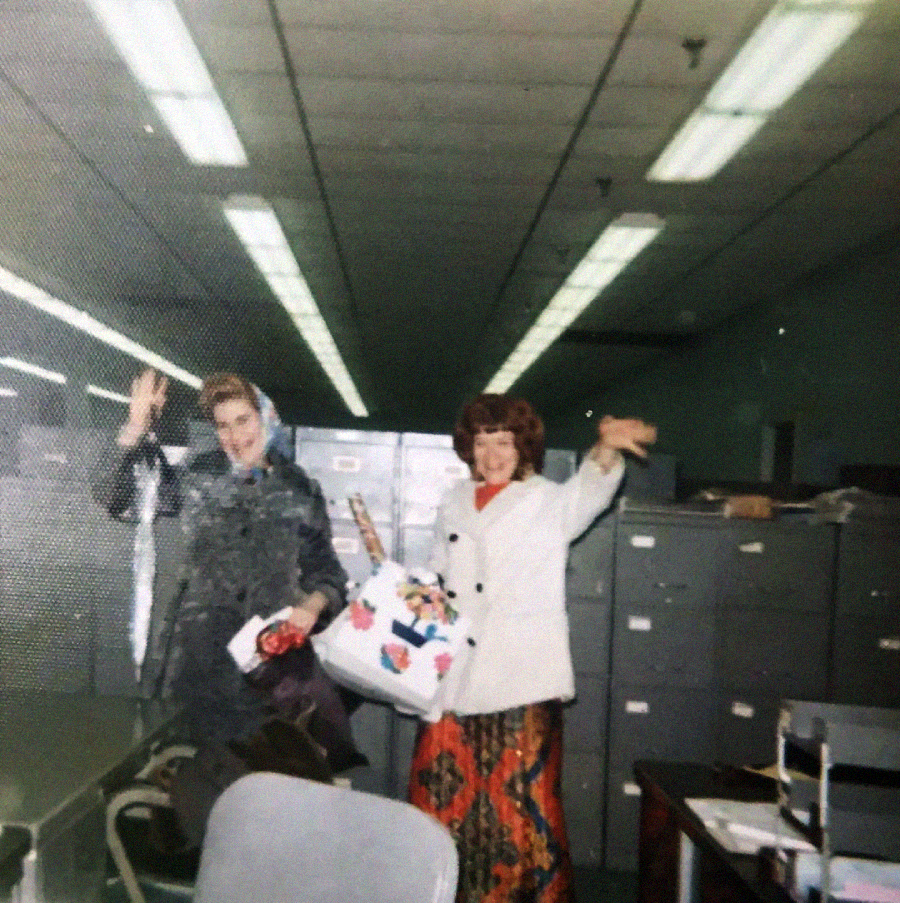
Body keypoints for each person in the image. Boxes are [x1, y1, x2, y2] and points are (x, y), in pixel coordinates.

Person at [93, 368, 362, 842]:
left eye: (243, 421)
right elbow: (115, 499)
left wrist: (314, 604)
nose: (234, 437)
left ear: (265, 418)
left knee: (267, 816)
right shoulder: (198, 476)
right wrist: (134, 428)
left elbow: (330, 575)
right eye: (223, 426)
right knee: (195, 812)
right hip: (199, 670)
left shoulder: (300, 489)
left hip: (270, 679)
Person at [407, 393, 656, 903]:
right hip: (456, 679)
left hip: (519, 680)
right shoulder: (453, 499)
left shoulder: (549, 500)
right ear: (468, 447)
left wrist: (605, 450)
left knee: (523, 811)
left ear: (524, 447)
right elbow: (441, 577)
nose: (492, 455)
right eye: (482, 442)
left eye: (504, 442)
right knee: (440, 801)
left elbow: (591, 489)